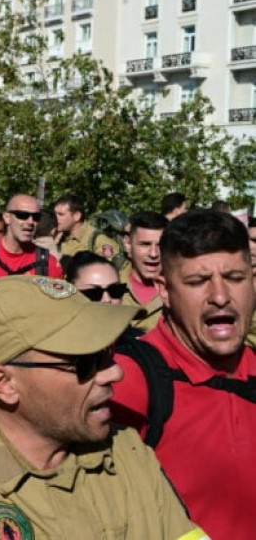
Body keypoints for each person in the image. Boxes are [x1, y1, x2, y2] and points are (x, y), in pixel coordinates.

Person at [0, 275, 207, 539]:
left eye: (108, 353)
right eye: (84, 363)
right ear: (4, 384)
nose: (115, 372)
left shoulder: (125, 449)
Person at [111, 210, 256, 539]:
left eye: (234, 278)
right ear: (163, 288)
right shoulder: (129, 380)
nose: (220, 297)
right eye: (197, 282)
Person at [0, 194, 63, 279]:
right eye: (22, 215)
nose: (30, 222)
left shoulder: (49, 263)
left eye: (36, 217)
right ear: (7, 217)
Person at [120, 211, 167, 331]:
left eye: (161, 245)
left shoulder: (180, 290)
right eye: (145, 244)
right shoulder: (108, 289)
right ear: (128, 245)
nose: (153, 254)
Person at [54, 193, 121, 263]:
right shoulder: (58, 238)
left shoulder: (98, 241)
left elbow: (111, 270)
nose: (55, 218)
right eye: (55, 214)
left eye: (61, 214)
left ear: (77, 216)